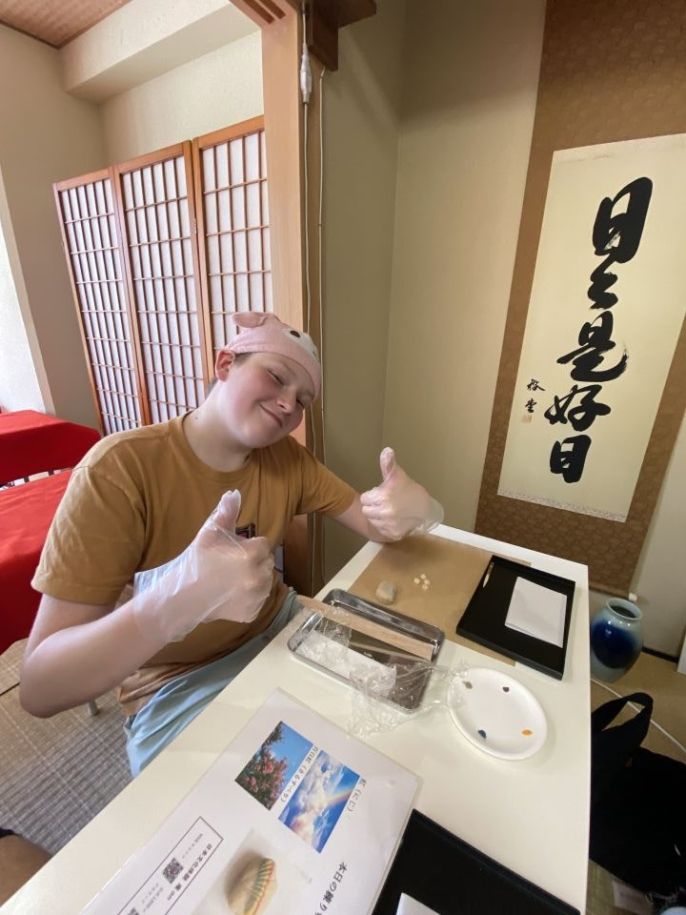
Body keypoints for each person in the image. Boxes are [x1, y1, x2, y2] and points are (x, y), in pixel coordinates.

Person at [20, 312, 443, 775]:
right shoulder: (118, 471)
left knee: (388, 737)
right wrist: (171, 606)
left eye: (302, 399)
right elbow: (40, 689)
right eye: (277, 377)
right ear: (225, 364)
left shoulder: (287, 461)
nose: (288, 405)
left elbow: (375, 522)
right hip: (174, 682)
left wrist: (420, 509)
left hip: (281, 628)